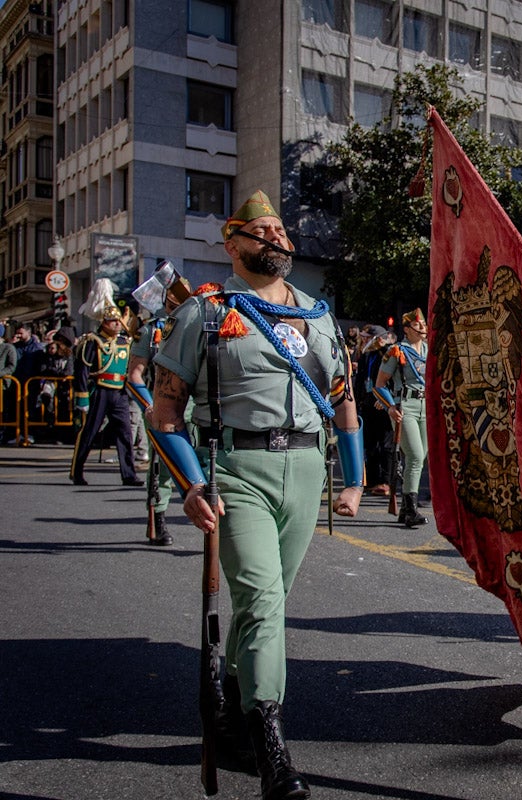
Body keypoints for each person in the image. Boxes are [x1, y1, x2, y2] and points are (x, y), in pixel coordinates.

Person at [149, 190, 364, 799]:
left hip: (305, 470)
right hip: (234, 469)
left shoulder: (320, 316)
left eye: (282, 232)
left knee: (262, 603)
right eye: (262, 231)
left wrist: (351, 480)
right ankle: (271, 741)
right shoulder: (208, 311)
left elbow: (344, 399)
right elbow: (165, 411)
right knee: (265, 600)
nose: (277, 240)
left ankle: (233, 710)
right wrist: (191, 483)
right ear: (233, 243)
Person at [126, 268, 193, 546]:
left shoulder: (196, 326)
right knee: (163, 468)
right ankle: (159, 517)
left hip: (195, 410)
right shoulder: (151, 330)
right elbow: (134, 375)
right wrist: (149, 405)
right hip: (161, 408)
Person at [69, 305, 141, 486]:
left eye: (118, 321)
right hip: (99, 391)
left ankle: (128, 475)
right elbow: (83, 370)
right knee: (89, 432)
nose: (117, 324)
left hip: (119, 392)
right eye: (113, 321)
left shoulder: (125, 342)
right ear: (104, 323)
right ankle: (77, 472)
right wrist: (82, 397)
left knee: (125, 434)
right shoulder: (92, 341)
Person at [373, 308, 429, 527]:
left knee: (420, 457)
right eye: (418, 325)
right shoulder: (397, 351)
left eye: (423, 325)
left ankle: (406, 509)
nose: (423, 328)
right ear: (407, 329)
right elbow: (379, 384)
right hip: (405, 406)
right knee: (414, 455)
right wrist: (389, 406)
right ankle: (411, 508)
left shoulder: (427, 350)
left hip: (425, 406)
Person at [355, 324, 394, 496]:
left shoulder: (386, 353)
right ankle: (371, 480)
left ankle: (386, 481)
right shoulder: (366, 355)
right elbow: (360, 380)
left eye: (367, 337)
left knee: (386, 443)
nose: (364, 339)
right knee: (370, 443)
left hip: (383, 402)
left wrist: (387, 400)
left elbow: (391, 379)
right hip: (368, 401)